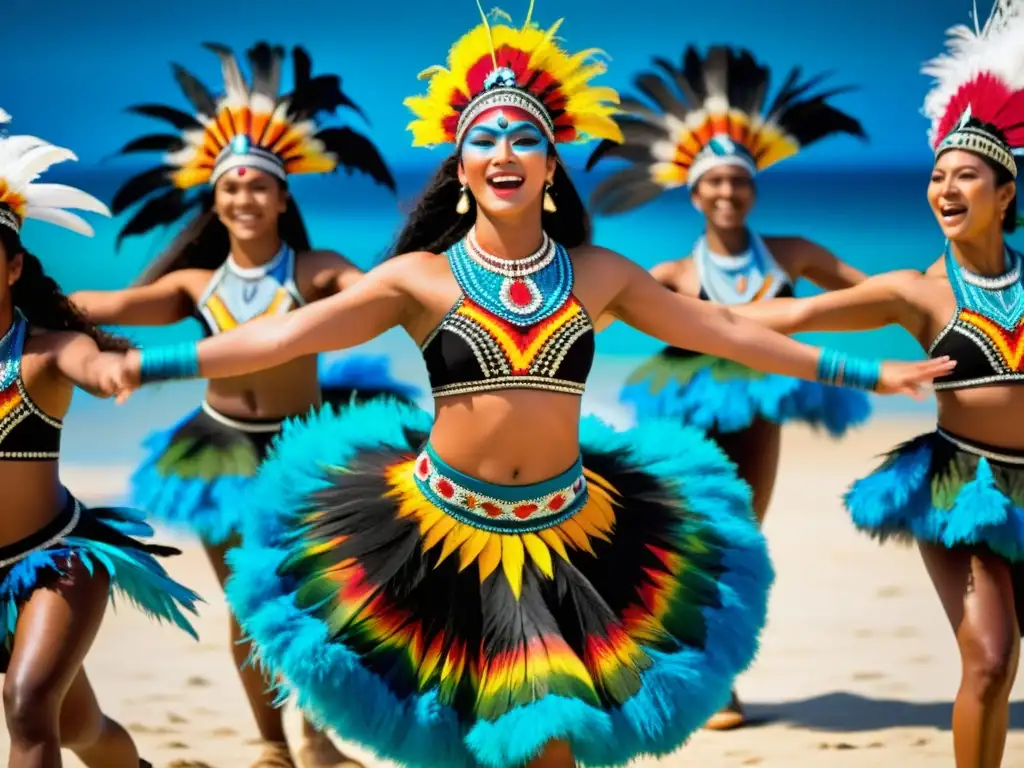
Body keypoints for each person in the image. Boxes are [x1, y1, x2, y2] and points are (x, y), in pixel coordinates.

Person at [100, 5, 951, 767]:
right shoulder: (419, 279)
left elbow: (730, 330)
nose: (503, 152)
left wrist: (872, 370)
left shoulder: (598, 274)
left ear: (550, 167)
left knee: (544, 744)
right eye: (484, 139)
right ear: (461, 169)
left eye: (525, 138)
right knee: (482, 749)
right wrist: (148, 362)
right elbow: (278, 335)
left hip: (569, 542)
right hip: (436, 537)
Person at [69, 41, 399, 768]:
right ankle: (272, 746)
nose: (244, 198)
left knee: (314, 602)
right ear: (214, 200)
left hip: (305, 449)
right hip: (217, 452)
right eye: (231, 187)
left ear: (284, 196)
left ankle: (319, 734)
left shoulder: (317, 270)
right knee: (247, 606)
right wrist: (25, 299)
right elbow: (111, 303)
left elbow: (379, 297)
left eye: (259, 186)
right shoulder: (194, 285)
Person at [727, 3, 1024, 765]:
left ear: (1005, 191)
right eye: (937, 176)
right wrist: (702, 319)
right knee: (989, 660)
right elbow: (801, 314)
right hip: (964, 487)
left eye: (966, 176)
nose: (945, 188)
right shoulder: (918, 292)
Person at [584, 42, 874, 730]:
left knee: (743, 539)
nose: (726, 192)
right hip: (685, 414)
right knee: (689, 540)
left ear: (755, 187)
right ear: (693, 191)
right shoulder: (673, 273)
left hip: (759, 413)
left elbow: (875, 295)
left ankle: (721, 679)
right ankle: (686, 675)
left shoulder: (794, 253)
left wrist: (942, 295)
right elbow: (593, 316)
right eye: (714, 182)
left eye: (738, 181)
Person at [0, 112, 200, 768]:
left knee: (28, 705)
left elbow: (89, 363)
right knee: (80, 727)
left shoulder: (46, 352)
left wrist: (113, 370)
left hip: (54, 560)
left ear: (12, 268)